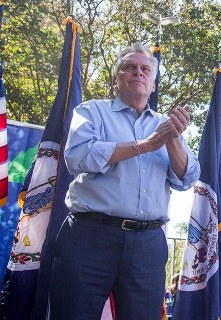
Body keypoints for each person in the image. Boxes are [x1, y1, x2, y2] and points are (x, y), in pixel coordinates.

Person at [49, 43, 200, 319]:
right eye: (129, 67)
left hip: (148, 245)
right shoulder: (91, 112)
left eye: (145, 69)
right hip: (90, 237)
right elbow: (78, 156)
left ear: (153, 85)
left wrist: (173, 137)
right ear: (115, 79)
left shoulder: (166, 126)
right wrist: (145, 144)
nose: (138, 73)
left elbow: (187, 178)